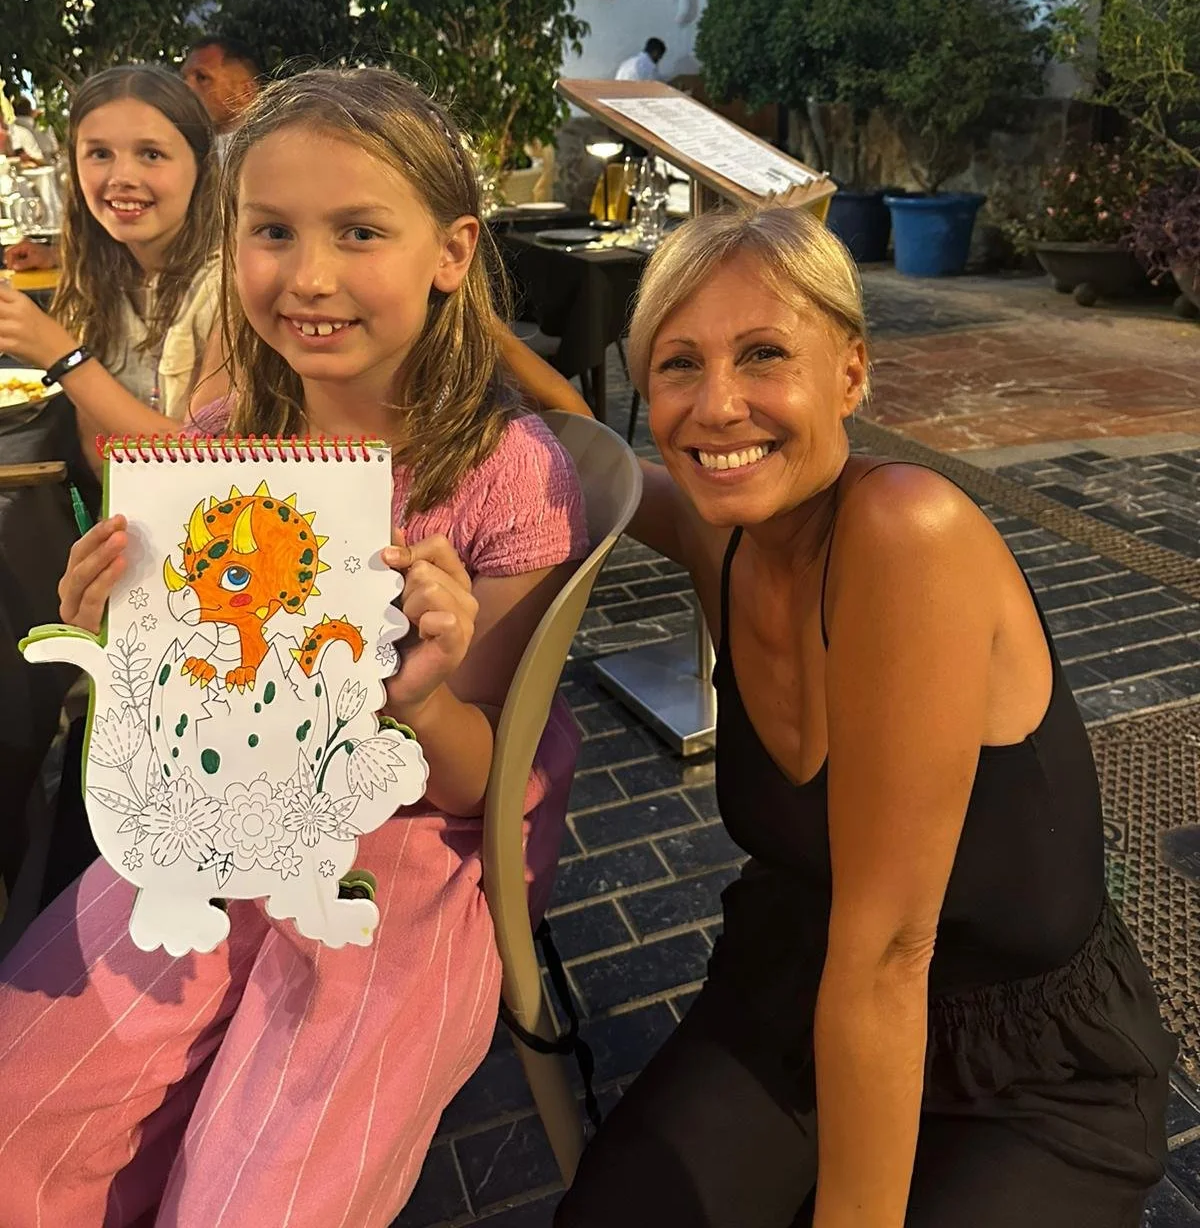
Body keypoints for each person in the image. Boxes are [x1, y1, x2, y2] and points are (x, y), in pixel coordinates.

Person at [0, 67, 590, 1227]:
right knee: (29, 1105)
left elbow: (482, 781)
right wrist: (117, 626)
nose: (308, 275)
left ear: (451, 251)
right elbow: (184, 697)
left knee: (260, 1192)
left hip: (409, 848)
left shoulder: (510, 477)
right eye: (272, 231)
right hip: (218, 815)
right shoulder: (219, 442)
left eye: (358, 231)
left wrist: (420, 696)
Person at [517, 205, 1172, 1228]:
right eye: (679, 365)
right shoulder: (722, 535)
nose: (716, 406)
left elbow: (889, 958)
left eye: (764, 353)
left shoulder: (909, 532)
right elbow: (584, 446)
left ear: (852, 374)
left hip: (1025, 1068)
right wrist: (443, 317)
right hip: (799, 987)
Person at [0, 66, 226, 455]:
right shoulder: (100, 268)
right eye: (100, 154)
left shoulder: (232, 289)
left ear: (201, 165)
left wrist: (61, 355)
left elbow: (203, 458)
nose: (122, 176)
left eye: (151, 154)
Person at [182, 33, 263, 155]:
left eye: (202, 77)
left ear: (246, 92)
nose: (186, 86)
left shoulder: (274, 152)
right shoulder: (182, 148)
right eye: (183, 78)